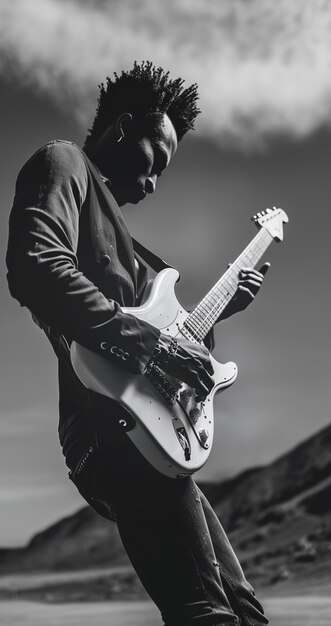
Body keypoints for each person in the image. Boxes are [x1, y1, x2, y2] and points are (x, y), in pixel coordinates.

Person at [6, 61, 270, 626]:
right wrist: (157, 349)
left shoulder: (137, 255)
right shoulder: (64, 162)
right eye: (157, 163)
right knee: (207, 613)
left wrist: (222, 312)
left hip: (150, 430)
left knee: (243, 610)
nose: (153, 184)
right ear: (123, 129)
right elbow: (35, 265)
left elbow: (170, 339)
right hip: (108, 428)